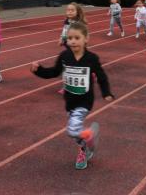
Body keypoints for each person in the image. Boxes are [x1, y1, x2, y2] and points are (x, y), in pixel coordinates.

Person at [31, 22, 114, 169]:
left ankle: (89, 137)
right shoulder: (64, 56)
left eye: (77, 37)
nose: (73, 41)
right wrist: (38, 70)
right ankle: (85, 147)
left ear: (86, 39)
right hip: (70, 101)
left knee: (73, 130)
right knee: (75, 131)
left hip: (85, 101)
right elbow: (54, 72)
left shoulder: (91, 58)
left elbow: (101, 77)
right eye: (70, 38)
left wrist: (106, 92)